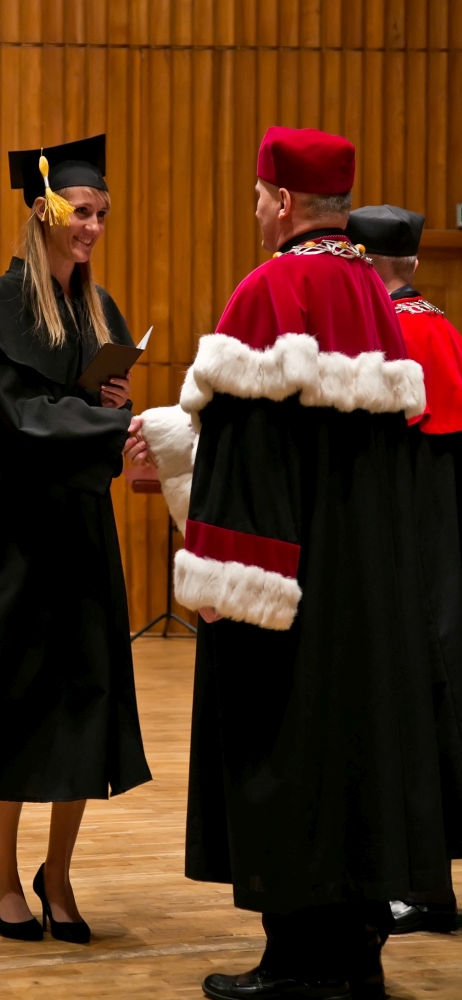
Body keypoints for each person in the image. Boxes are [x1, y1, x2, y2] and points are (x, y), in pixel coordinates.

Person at [126, 126, 461, 1000]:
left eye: (255, 197)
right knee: (353, 761)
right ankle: (353, 957)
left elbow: (251, 461)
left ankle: (298, 963)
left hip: (286, 589)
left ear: (280, 200)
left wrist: (221, 579)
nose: (255, 211)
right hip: (362, 590)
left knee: (285, 757)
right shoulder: (374, 296)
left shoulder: (273, 289)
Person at [0, 134, 151, 945]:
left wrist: (114, 406)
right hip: (15, 535)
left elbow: (91, 418)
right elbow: (22, 420)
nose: (93, 226)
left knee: (84, 699)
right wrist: (107, 420)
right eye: (80, 211)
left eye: (102, 213)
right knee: (17, 701)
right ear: (43, 211)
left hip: (79, 530)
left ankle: (57, 872)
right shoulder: (0, 306)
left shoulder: (99, 310)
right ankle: (1, 872)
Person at [346, 205, 462, 936]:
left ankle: (421, 887)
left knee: (410, 710)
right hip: (446, 547)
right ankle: (432, 888)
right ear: (413, 262)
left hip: (404, 549)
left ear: (360, 264)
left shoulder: (383, 334)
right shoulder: (443, 326)